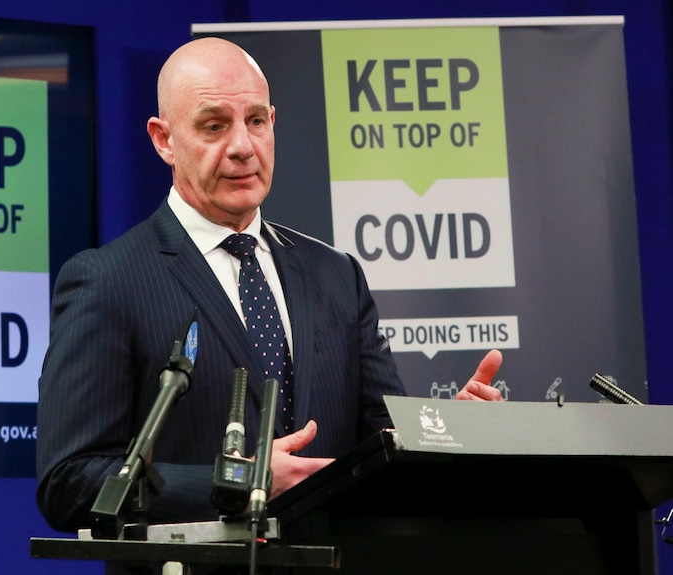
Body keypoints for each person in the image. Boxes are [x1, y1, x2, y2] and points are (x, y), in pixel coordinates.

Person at [36, 37, 502, 534]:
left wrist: (443, 437)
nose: (242, 146)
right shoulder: (108, 280)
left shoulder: (336, 275)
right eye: (214, 126)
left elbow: (379, 445)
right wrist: (237, 485)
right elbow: (69, 482)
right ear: (163, 139)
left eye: (256, 121)